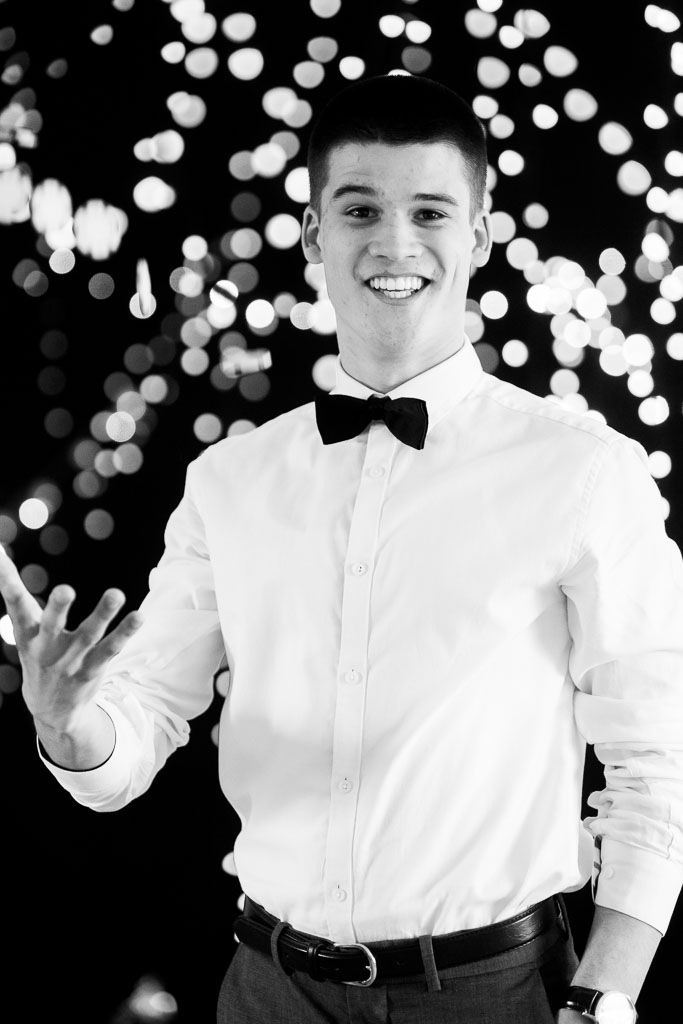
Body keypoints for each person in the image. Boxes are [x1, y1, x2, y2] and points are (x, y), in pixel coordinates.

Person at [1, 73, 682, 1024]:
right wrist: (68, 726)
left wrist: (599, 1000)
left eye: (430, 212)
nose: (394, 243)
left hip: (492, 994)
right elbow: (140, 724)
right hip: (265, 988)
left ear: (479, 236)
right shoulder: (231, 481)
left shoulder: (584, 471)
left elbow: (656, 763)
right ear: (315, 233)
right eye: (359, 210)